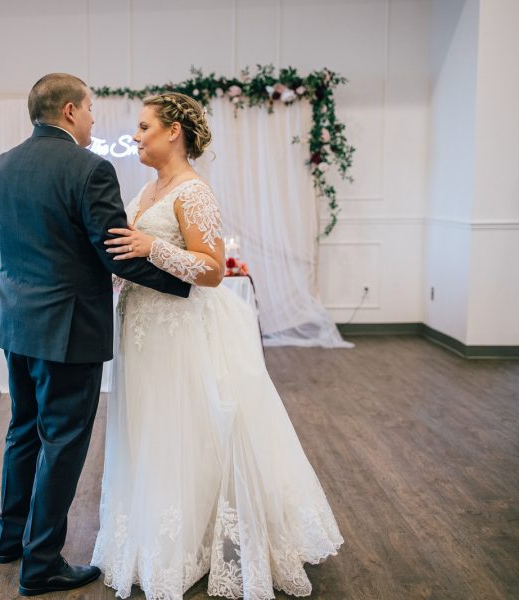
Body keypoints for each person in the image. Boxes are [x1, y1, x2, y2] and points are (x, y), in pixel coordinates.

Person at [91, 92, 343, 600]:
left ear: (173, 132)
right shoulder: (147, 191)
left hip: (180, 331)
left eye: (144, 127)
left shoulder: (193, 191)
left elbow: (210, 270)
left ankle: (202, 539)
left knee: (186, 428)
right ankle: (158, 538)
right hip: (141, 329)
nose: (136, 137)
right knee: (149, 428)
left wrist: (152, 246)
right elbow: (135, 256)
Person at [0, 74, 191, 597]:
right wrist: (183, 282)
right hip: (68, 328)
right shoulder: (89, 169)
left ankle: (10, 541)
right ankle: (42, 564)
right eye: (92, 109)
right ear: (70, 111)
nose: (95, 120)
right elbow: (115, 251)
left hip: (15, 321)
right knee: (64, 441)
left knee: (23, 430)